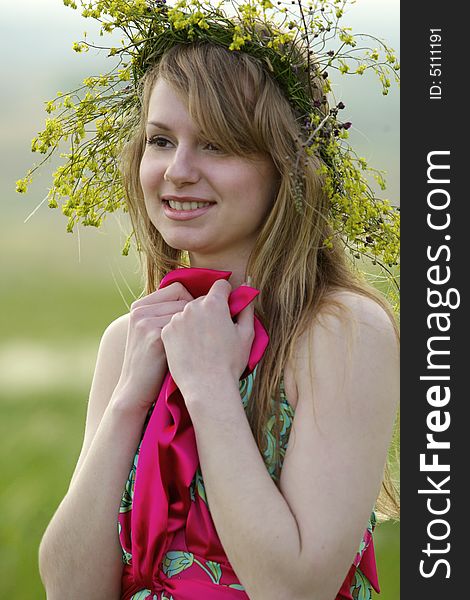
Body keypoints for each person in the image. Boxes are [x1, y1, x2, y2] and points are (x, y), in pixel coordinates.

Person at [36, 3, 399, 599]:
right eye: (160, 140)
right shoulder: (130, 340)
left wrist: (208, 391)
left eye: (217, 146)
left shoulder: (341, 332)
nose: (178, 171)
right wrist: (130, 396)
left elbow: (295, 590)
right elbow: (69, 588)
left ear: (283, 165)